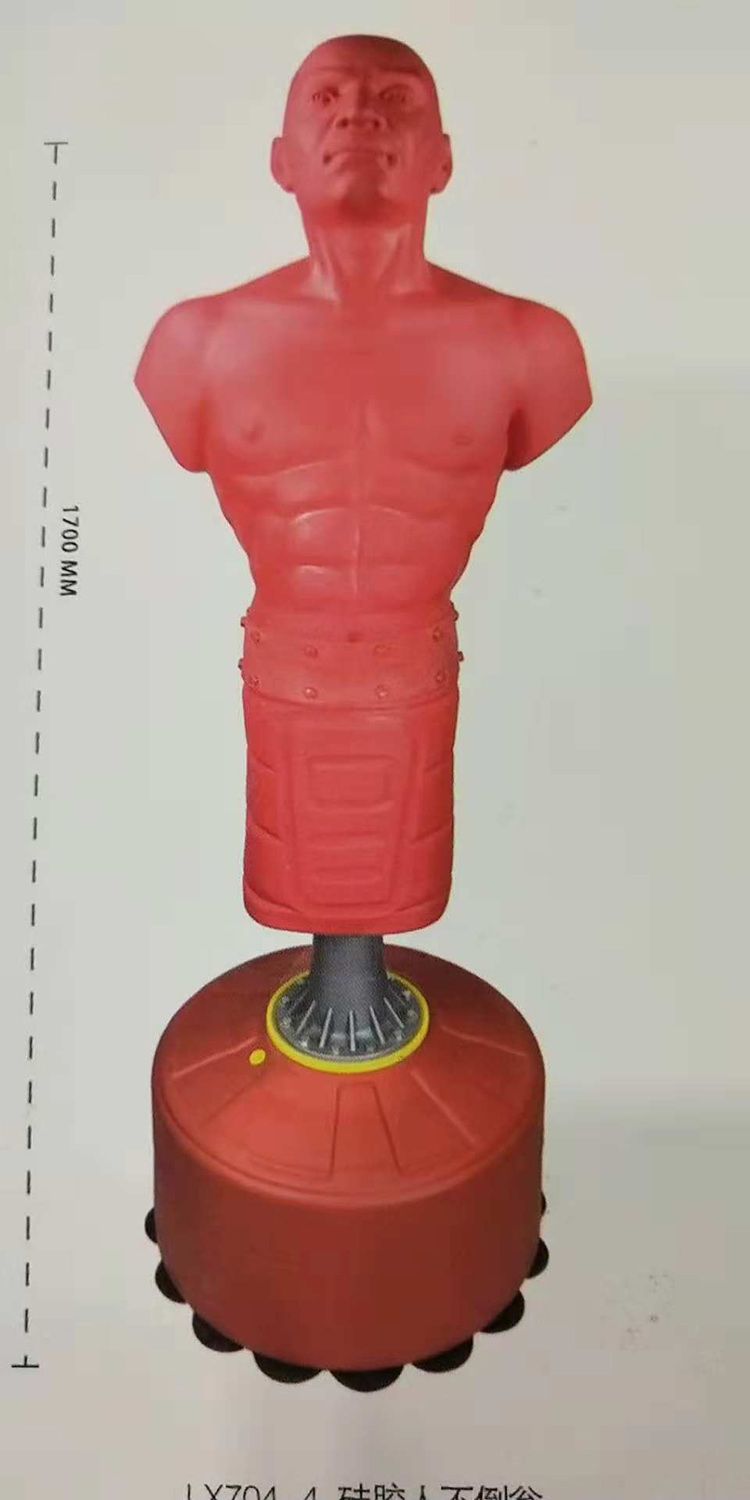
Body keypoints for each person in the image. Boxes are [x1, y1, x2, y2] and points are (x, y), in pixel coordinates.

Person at [135, 33, 592, 990]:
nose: (359, 114)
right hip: (285, 673)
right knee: (297, 873)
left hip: (413, 676)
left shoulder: (530, 343)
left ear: (443, 160)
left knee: (403, 876)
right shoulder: (195, 342)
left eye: (395, 97)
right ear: (281, 159)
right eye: (328, 97)